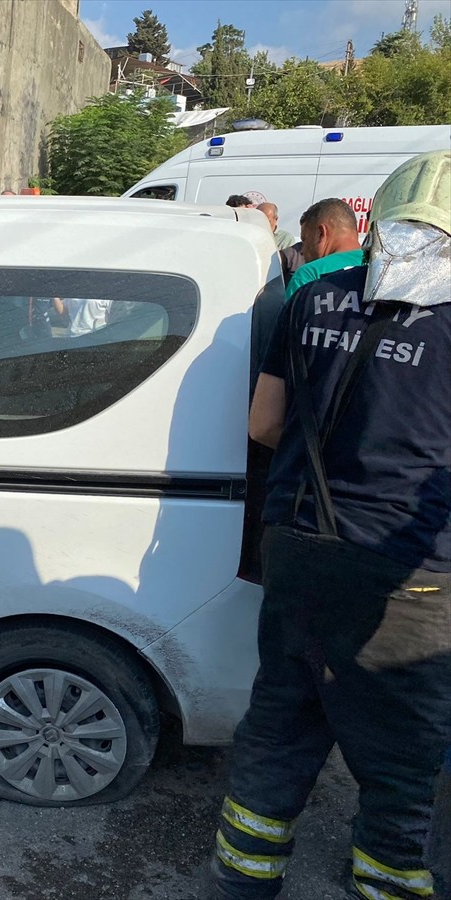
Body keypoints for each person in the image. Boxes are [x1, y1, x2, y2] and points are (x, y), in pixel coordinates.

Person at [205, 150, 451, 900]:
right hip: (409, 575)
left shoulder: (316, 296)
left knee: (282, 719)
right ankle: (386, 883)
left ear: (378, 218)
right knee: (402, 758)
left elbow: (264, 423)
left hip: (299, 547)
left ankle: (243, 880)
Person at [285, 198, 364, 300]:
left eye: (305, 240)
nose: (302, 251)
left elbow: (290, 315)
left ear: (321, 233)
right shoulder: (379, 268)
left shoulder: (309, 274)